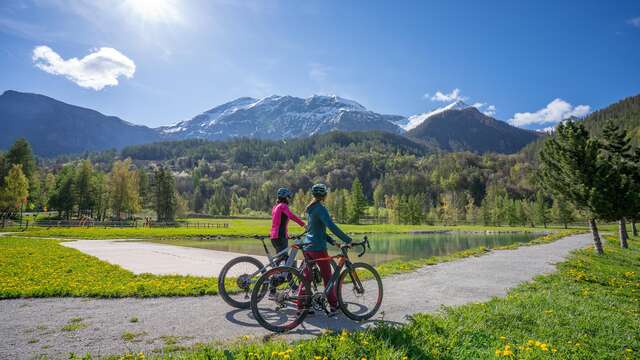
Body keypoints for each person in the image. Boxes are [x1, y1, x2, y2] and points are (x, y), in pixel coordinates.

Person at [297, 183, 352, 315]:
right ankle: (334, 305)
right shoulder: (321, 209)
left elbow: (317, 230)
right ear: (324, 195)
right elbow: (331, 226)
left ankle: (302, 306)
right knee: (328, 276)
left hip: (308, 246)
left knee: (306, 276)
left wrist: (334, 242)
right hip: (318, 247)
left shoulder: (310, 208)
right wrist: (348, 240)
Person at [270, 187, 306, 264]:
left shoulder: (275, 207)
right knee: (285, 259)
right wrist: (303, 224)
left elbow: (277, 222)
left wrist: (287, 235)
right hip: (280, 236)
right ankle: (277, 274)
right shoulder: (283, 206)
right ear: (285, 197)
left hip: (274, 237)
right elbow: (291, 216)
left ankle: (276, 273)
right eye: (288, 197)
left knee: (280, 258)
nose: (289, 199)